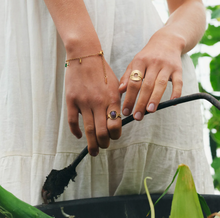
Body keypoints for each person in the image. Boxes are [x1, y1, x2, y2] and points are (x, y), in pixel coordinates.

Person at [0, 0, 214, 205]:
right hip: (51, 95)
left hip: (159, 117)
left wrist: (171, 39)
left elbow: (190, 4)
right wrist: (81, 49)